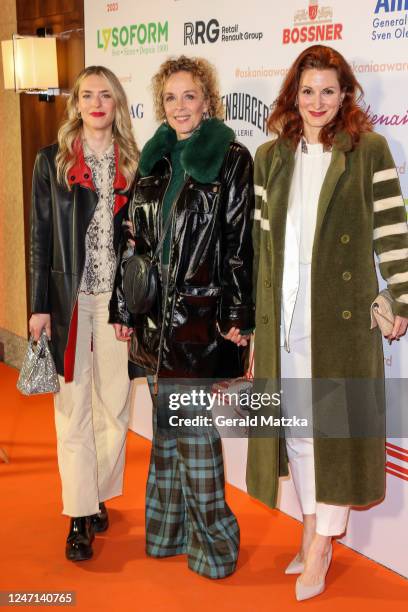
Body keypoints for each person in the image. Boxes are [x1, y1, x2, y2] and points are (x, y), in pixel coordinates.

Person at [246, 44, 408, 600]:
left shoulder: (369, 152)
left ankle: (321, 542)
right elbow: (260, 247)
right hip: (283, 319)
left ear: (345, 97)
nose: (317, 101)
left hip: (337, 322)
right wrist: (255, 325)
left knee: (331, 433)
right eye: (307, 90)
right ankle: (313, 524)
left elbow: (392, 233)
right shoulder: (270, 156)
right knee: (298, 433)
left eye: (328, 91)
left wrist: (402, 300)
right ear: (295, 93)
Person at [110, 55, 254, 579]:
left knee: (193, 436)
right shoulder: (155, 160)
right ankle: (168, 533)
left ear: (208, 101)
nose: (179, 106)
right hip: (152, 324)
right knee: (167, 434)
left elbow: (239, 246)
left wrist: (239, 317)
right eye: (170, 97)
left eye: (189, 95)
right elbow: (134, 245)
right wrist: (124, 307)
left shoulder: (231, 158)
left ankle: (215, 546)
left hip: (197, 323)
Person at [29, 65, 139, 561]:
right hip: (69, 301)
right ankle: (79, 514)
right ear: (76, 104)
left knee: (114, 407)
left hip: (116, 304)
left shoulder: (134, 164)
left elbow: (142, 243)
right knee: (73, 411)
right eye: (87, 95)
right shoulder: (50, 162)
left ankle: (95, 493)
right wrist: (37, 306)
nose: (96, 103)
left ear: (117, 105)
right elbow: (39, 239)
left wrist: (135, 302)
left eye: (106, 95)